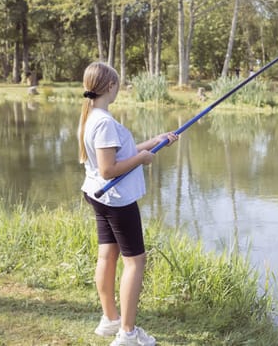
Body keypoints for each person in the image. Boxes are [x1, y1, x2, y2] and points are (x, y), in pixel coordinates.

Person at [78, 62, 178, 346]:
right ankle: (128, 334)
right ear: (111, 86)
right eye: (118, 84)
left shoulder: (91, 116)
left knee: (107, 256)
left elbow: (117, 155)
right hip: (116, 199)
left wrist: (154, 142)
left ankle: (110, 320)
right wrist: (142, 160)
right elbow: (110, 169)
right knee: (135, 262)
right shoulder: (105, 122)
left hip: (98, 194)